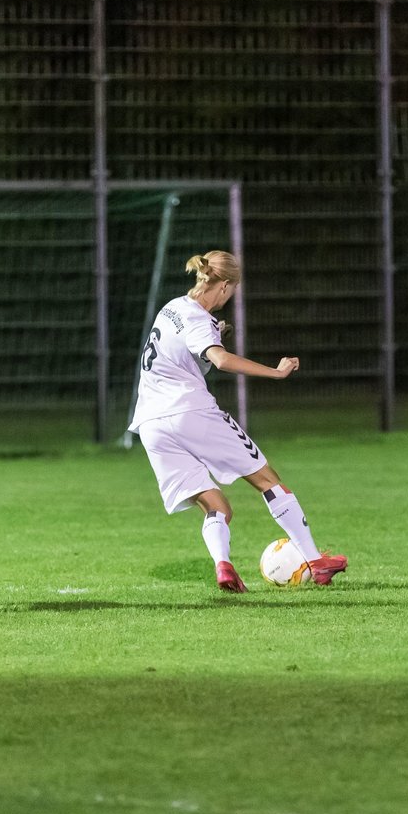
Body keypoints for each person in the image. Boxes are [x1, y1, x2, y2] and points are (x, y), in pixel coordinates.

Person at [128, 250, 347, 592]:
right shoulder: (199, 320)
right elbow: (220, 359)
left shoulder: (171, 307)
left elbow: (180, 349)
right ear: (226, 285)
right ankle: (315, 561)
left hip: (151, 424)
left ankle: (224, 567)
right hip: (190, 412)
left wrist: (214, 332)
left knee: (217, 507)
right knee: (268, 481)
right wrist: (275, 372)